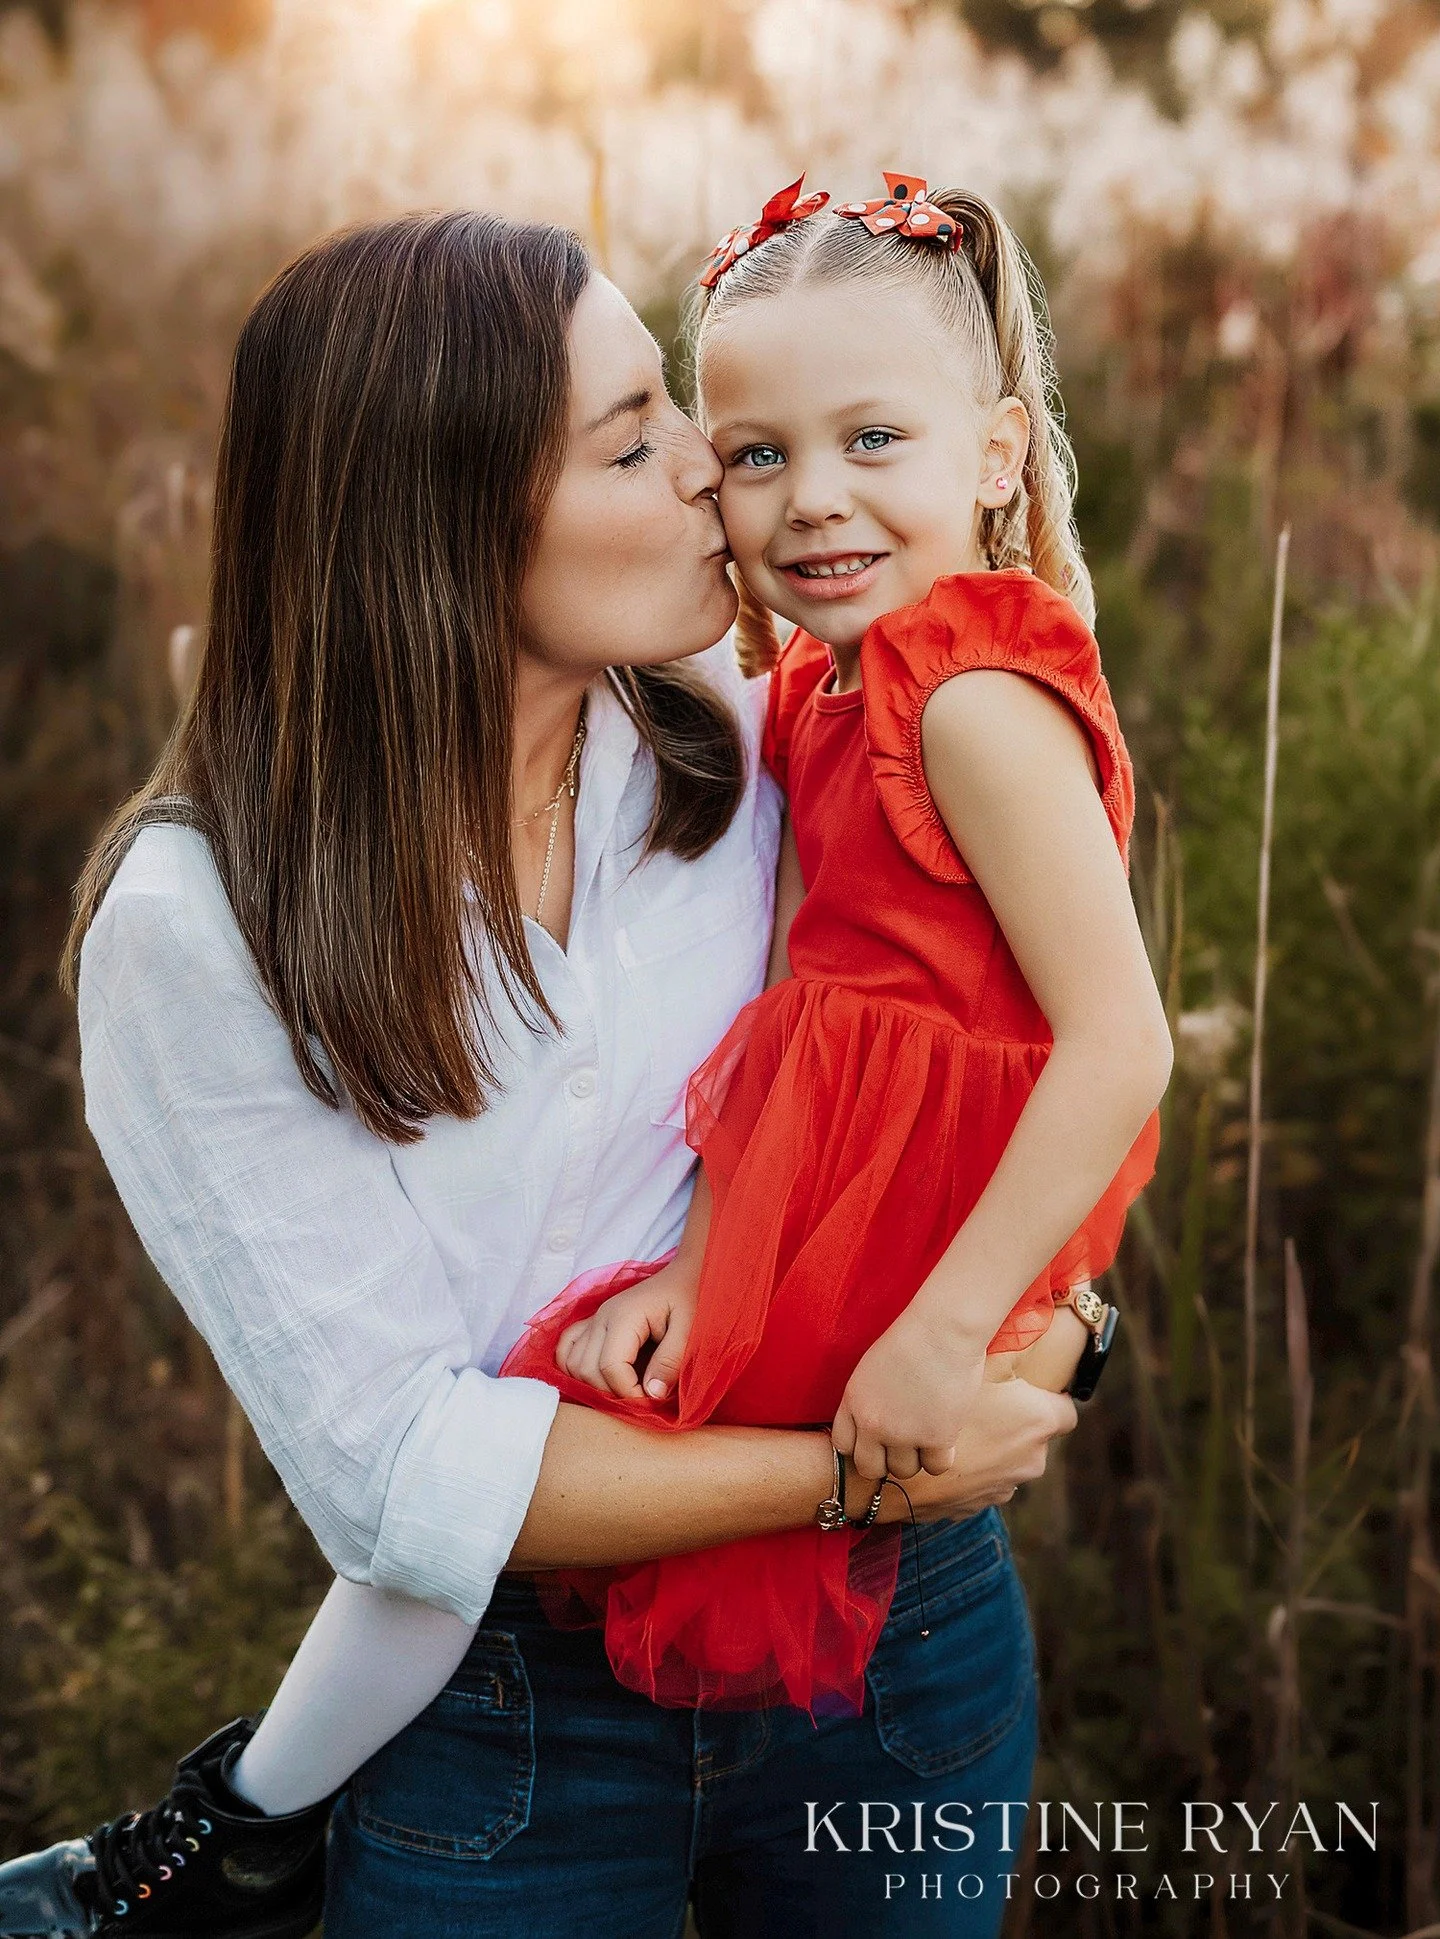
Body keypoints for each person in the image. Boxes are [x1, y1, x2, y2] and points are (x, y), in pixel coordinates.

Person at [0, 206, 1078, 1939]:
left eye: (682, 416)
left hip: (901, 1640)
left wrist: (1052, 1330)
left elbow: (1025, 1044)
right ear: (440, 513)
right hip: (517, 1721)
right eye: (636, 438)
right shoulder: (199, 927)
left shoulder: (744, 720)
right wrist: (869, 1460)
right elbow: (409, 1478)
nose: (711, 482)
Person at [498, 170, 1171, 1715]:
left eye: (875, 440)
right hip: (818, 1198)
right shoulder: (815, 690)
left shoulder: (976, 705)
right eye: (756, 453)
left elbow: (1122, 1042)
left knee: (741, 1503)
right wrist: (701, 1256)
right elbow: (790, 1015)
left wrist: (944, 1329)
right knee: (626, 1425)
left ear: (997, 454)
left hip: (940, 1225)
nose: (814, 495)